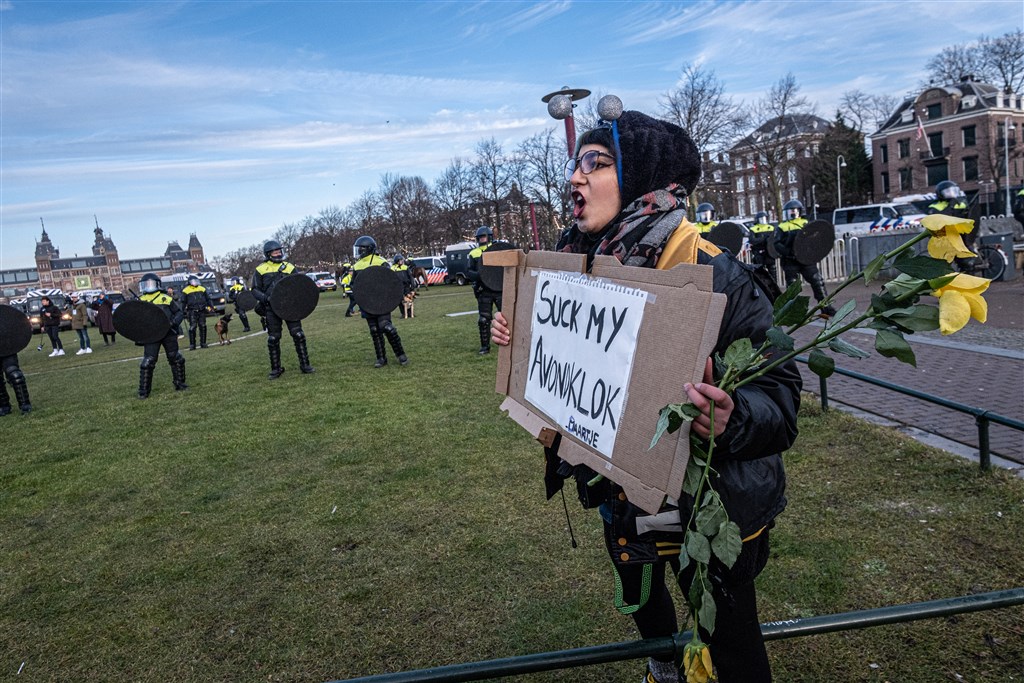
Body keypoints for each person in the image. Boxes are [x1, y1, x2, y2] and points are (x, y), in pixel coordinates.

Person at [491, 109, 801, 683]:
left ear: (645, 177)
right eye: (575, 165)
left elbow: (780, 400)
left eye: (597, 163)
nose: (575, 178)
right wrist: (522, 338)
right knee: (642, 593)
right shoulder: (577, 264)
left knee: (730, 639)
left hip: (708, 503)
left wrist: (730, 421)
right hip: (623, 494)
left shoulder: (712, 272)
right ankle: (664, 666)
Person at [251, 239, 315, 379]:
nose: (278, 253)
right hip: (271, 308)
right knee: (273, 338)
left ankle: (305, 365)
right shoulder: (261, 269)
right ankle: (276, 369)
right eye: (275, 251)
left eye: (279, 251)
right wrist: (267, 299)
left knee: (298, 334)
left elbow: (298, 285)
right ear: (268, 254)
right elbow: (255, 290)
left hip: (290, 307)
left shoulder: (289, 267)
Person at [350, 235, 408, 368]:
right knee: (374, 330)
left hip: (382, 302)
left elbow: (390, 281)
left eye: (361, 249)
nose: (359, 252)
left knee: (386, 327)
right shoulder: (357, 265)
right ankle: (381, 358)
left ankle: (401, 354)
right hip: (367, 302)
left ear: (368, 249)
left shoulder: (381, 262)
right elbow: (355, 285)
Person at [774, 199, 837, 317]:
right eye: (790, 211)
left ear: (799, 211)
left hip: (806, 259)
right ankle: (790, 312)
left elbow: (815, 239)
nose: (792, 213)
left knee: (817, 281)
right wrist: (787, 252)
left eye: (794, 210)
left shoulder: (806, 223)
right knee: (792, 286)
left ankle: (825, 306)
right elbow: (777, 244)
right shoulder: (782, 227)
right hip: (790, 260)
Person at [136, 272, 188, 398]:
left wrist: (172, 323)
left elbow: (179, 313)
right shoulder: (140, 301)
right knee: (148, 362)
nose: (149, 286)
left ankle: (179, 383)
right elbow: (135, 319)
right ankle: (144, 391)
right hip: (151, 335)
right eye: (146, 284)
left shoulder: (166, 298)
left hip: (168, 333)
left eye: (151, 283)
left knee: (175, 358)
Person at [466, 226, 502, 354]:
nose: (482, 239)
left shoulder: (497, 250)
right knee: (484, 319)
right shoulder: (473, 253)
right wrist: (480, 275)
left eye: (484, 237)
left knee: (506, 317)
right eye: (480, 237)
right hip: (484, 290)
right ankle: (485, 346)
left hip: (499, 289)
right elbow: (469, 271)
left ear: (490, 237)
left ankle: (510, 343)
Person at [928, 180, 974, 272]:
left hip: (960, 235)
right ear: (940, 194)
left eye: (953, 190)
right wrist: (951, 206)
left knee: (965, 258)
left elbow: (969, 216)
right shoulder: (936, 206)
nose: (951, 193)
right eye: (948, 191)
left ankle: (967, 271)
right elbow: (941, 219)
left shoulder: (961, 203)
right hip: (945, 236)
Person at [181, 274, 213, 350]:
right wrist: (182, 311)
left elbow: (208, 298)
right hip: (192, 311)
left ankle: (203, 343)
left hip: (202, 310)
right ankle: (192, 344)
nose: (195, 282)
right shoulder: (186, 290)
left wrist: (211, 306)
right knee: (192, 327)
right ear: (189, 282)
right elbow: (183, 302)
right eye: (193, 281)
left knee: (203, 326)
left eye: (196, 281)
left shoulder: (202, 288)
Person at [747, 211, 779, 282]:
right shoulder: (754, 229)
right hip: (758, 253)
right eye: (761, 219)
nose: (763, 220)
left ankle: (774, 286)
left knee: (772, 270)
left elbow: (774, 239)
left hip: (769, 253)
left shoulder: (770, 227)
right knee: (759, 271)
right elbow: (752, 240)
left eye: (764, 218)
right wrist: (764, 239)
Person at [392, 254, 416, 318]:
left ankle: (410, 313)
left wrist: (412, 285)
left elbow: (410, 277)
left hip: (406, 286)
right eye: (400, 260)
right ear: (397, 261)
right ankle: (403, 313)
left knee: (409, 299)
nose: (402, 261)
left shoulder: (405, 267)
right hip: (398, 287)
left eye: (402, 260)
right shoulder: (393, 268)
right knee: (400, 301)